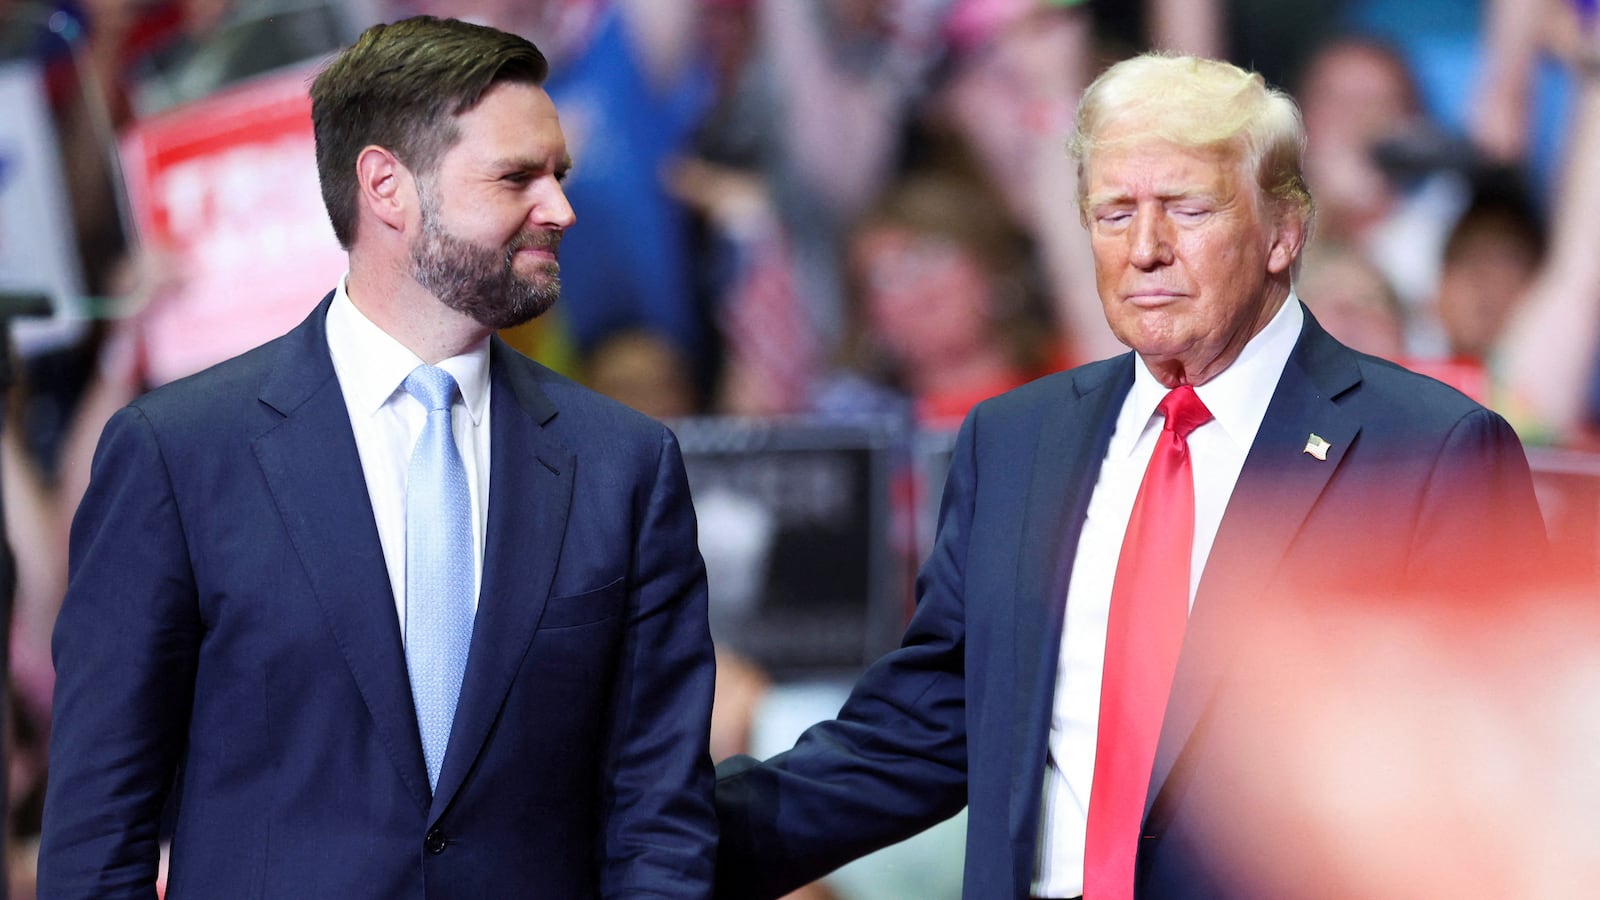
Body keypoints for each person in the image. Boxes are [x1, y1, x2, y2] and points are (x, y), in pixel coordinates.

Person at [714, 52, 1548, 899]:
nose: (1145, 250)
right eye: (1113, 214)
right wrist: (663, 838)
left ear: (1283, 231)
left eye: (1187, 209)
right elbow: (921, 730)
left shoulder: (1430, 454)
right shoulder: (1015, 441)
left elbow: (1496, 790)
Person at [38, 16, 717, 898]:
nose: (560, 208)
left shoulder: (627, 465)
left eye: (560, 175)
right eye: (518, 177)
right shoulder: (178, 455)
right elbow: (99, 827)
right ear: (386, 187)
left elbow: (658, 820)